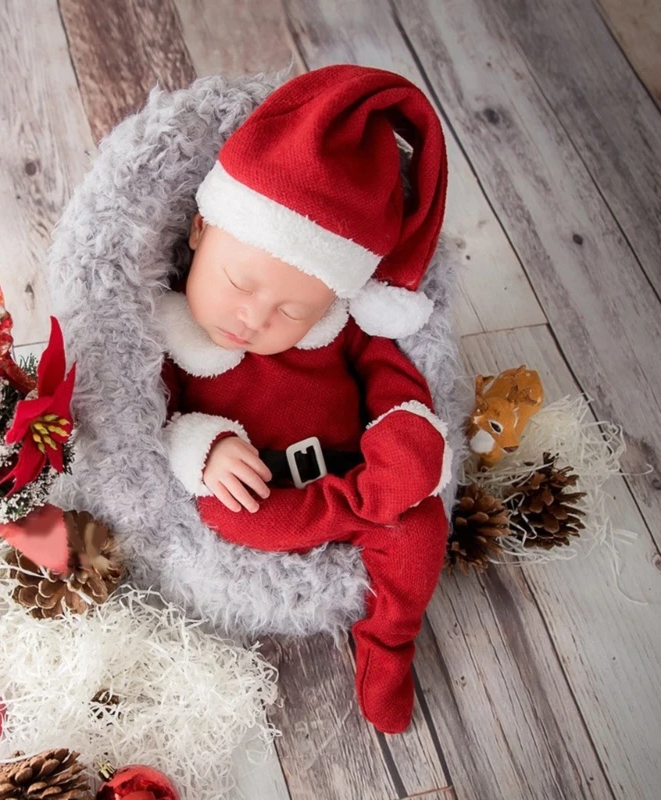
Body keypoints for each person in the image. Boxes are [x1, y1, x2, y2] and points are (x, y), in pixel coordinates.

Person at [157, 63, 451, 733]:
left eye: (292, 309)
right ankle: (361, 515)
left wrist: (407, 433)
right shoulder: (171, 334)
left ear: (334, 299)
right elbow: (148, 419)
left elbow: (394, 377)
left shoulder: (339, 329)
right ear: (202, 231)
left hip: (354, 469)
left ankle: (389, 642)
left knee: (423, 524)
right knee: (231, 513)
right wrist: (206, 449)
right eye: (238, 282)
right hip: (267, 496)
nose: (254, 319)